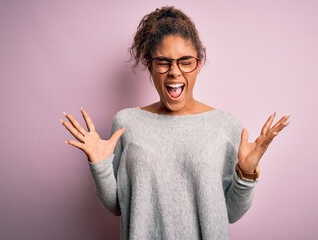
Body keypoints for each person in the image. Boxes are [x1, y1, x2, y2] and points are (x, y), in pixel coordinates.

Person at [60, 6, 289, 240]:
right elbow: (117, 206)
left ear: (198, 65)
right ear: (150, 66)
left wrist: (246, 175)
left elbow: (230, 213)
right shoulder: (126, 123)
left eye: (185, 61)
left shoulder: (225, 125)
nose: (174, 72)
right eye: (163, 62)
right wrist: (99, 166)